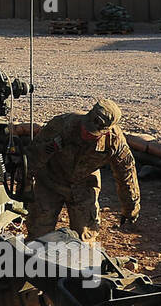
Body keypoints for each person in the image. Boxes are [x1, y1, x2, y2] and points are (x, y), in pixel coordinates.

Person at [23, 98, 141, 244]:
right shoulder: (62, 124)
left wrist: (130, 208)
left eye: (92, 133)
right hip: (50, 181)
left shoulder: (115, 142)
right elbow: (33, 155)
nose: (86, 133)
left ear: (105, 133)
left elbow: (126, 174)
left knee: (85, 238)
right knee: (38, 234)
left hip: (83, 185)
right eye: (86, 128)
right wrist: (25, 188)